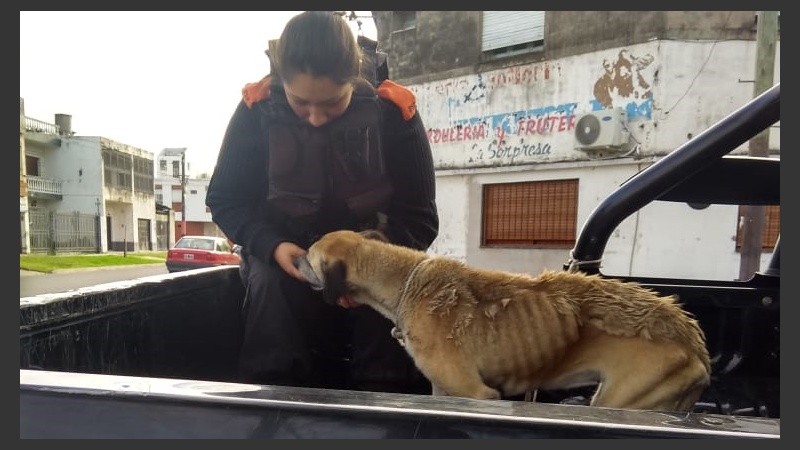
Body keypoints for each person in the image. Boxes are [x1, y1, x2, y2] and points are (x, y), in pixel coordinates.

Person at [206, 11, 438, 394]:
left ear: (355, 79)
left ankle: (387, 415)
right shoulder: (257, 110)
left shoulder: (393, 114)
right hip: (285, 260)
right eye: (301, 103)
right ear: (282, 82)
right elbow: (226, 199)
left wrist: (369, 264)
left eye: (332, 104)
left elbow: (421, 218)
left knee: (388, 316)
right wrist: (273, 246)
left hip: (377, 261)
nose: (315, 118)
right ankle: (270, 409)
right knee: (268, 286)